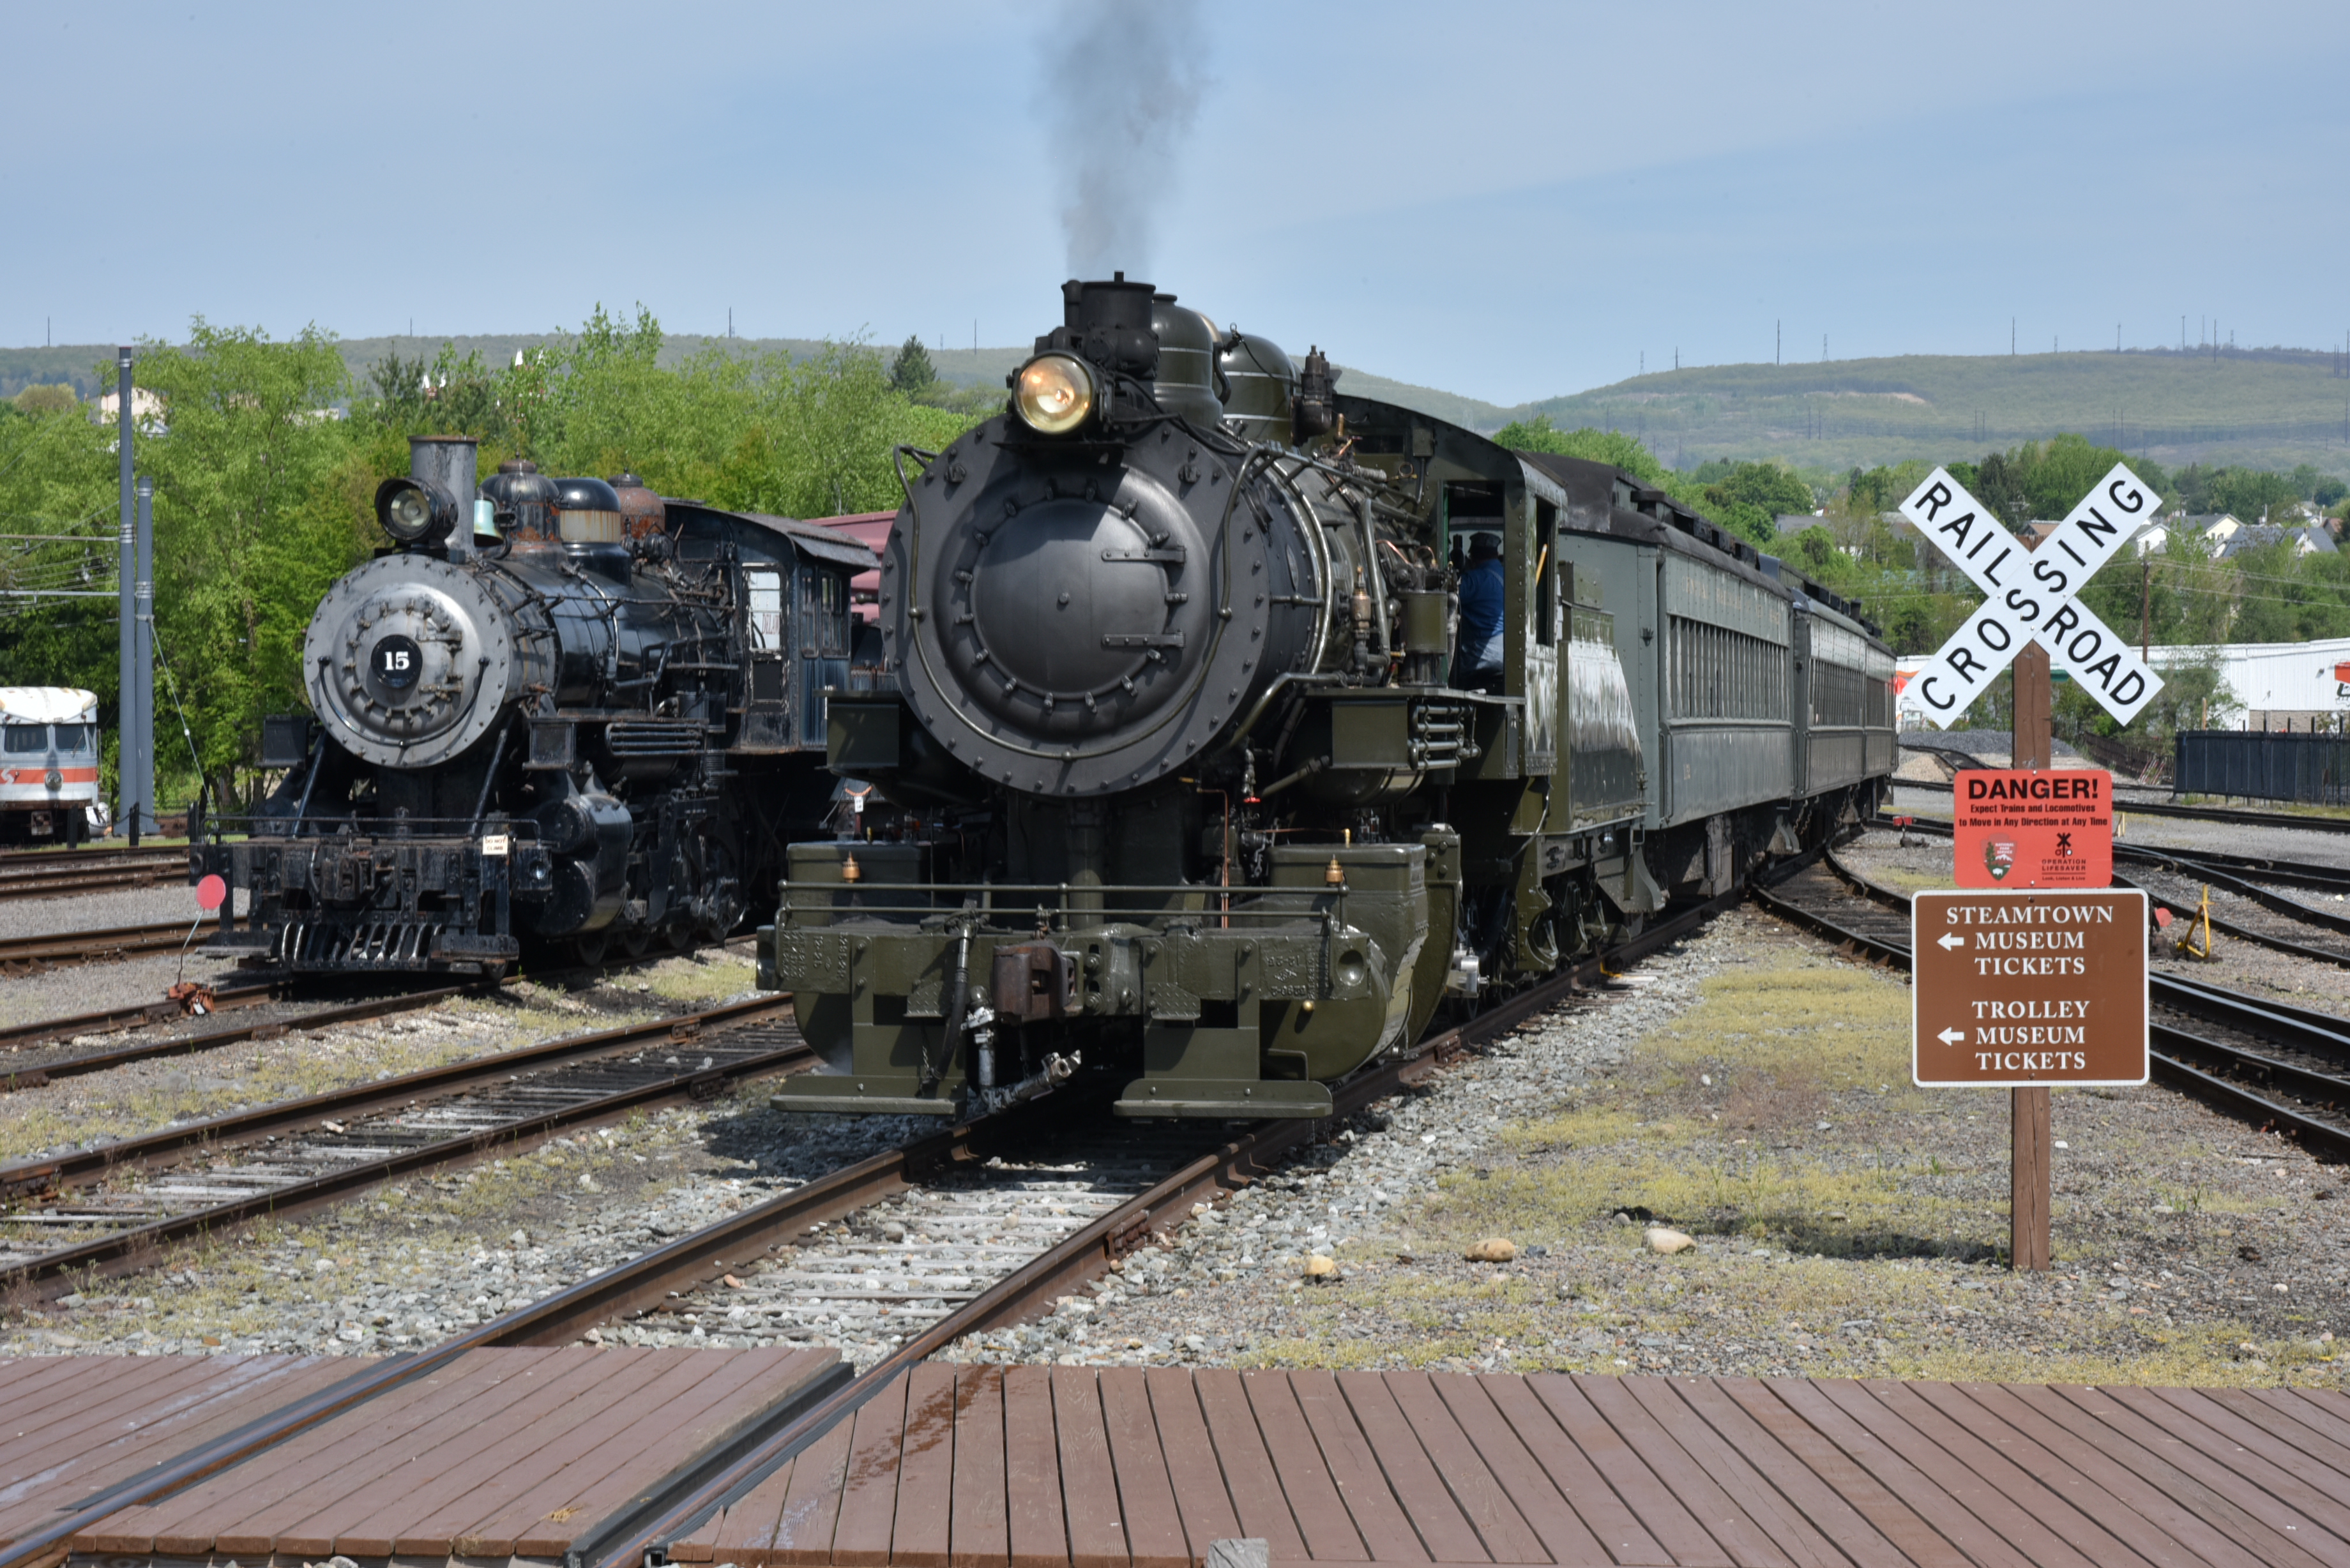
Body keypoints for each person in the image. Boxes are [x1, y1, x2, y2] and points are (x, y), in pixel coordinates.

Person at [1452, 532, 1505, 692]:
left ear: (1473, 556)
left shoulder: (1475, 580)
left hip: (1481, 654)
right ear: (1496, 554)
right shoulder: (1504, 574)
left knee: (1439, 664)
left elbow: (1448, 597)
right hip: (1503, 653)